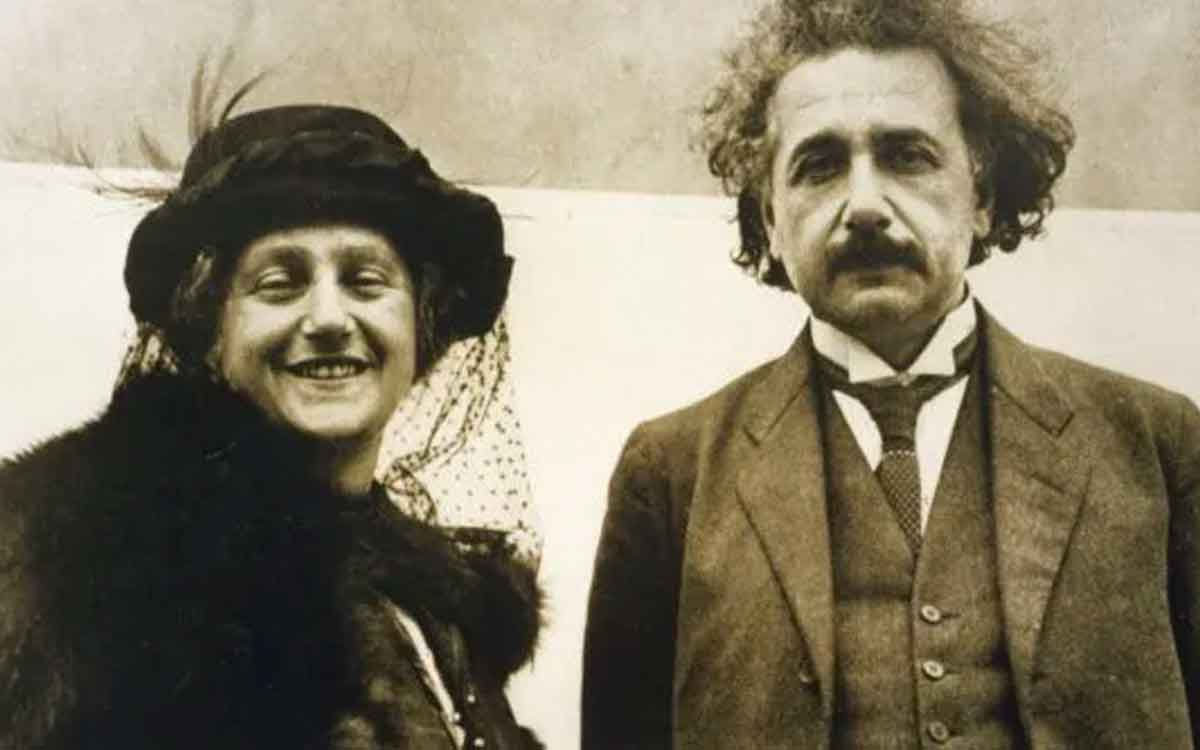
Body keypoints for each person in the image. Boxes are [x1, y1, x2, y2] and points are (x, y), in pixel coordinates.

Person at [581, 0, 1200, 747]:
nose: (866, 206)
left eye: (908, 157)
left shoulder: (1155, 446)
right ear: (770, 221)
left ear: (982, 196)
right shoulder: (671, 474)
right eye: (820, 166)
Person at [0, 103, 543, 749]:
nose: (329, 319)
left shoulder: (431, 593)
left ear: (421, 326)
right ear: (208, 324)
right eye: (280, 284)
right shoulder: (84, 551)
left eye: (366, 281)